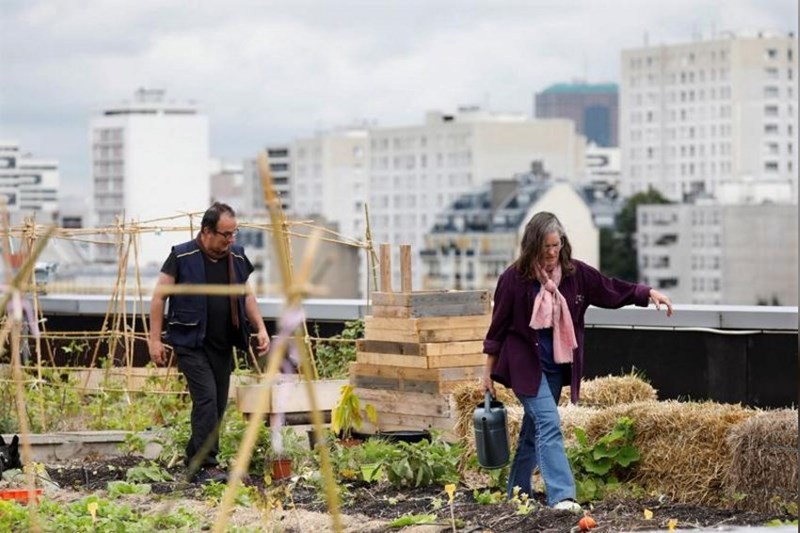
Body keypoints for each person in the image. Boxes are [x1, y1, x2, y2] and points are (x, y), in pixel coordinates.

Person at [482, 212, 672, 511]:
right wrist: (487, 373)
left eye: (556, 245)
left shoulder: (575, 274)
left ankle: (517, 493)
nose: (552, 252)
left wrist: (648, 293)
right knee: (550, 422)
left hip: (558, 363)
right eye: (546, 247)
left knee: (534, 430)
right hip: (525, 364)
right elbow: (497, 328)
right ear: (532, 246)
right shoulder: (514, 279)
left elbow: (610, 289)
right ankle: (563, 497)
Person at [149, 202, 270, 484]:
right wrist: (155, 340)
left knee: (216, 404)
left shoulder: (237, 258)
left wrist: (261, 328)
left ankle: (194, 459)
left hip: (222, 343)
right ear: (206, 231)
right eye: (225, 234)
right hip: (191, 343)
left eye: (233, 234)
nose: (230, 240)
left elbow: (247, 297)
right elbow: (158, 298)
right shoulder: (182, 256)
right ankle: (206, 466)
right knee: (205, 400)